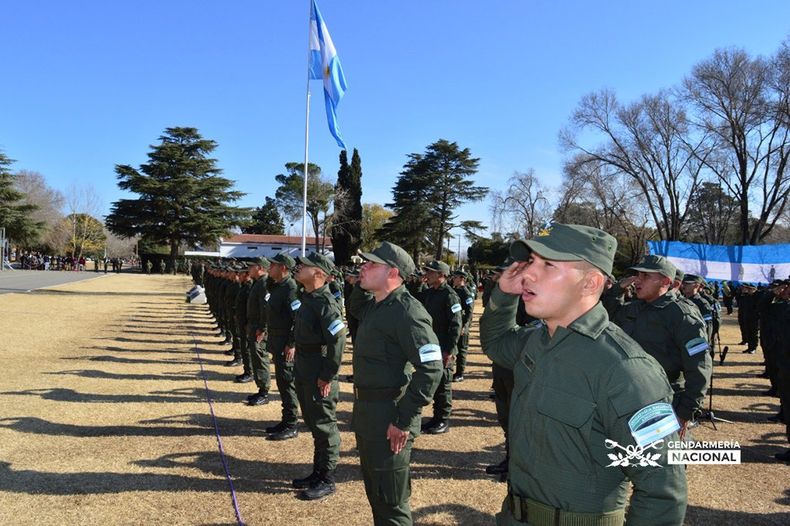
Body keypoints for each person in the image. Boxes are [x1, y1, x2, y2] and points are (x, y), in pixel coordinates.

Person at [480, 224, 687, 525]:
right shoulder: (537, 341)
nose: (527, 274)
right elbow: (496, 343)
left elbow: (663, 489)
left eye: (548, 264)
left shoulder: (627, 369)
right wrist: (503, 294)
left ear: (590, 283)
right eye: (531, 262)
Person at [349, 241, 443, 525]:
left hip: (391, 415)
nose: (362, 267)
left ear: (393, 272)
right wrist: (360, 282)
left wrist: (404, 419)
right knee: (376, 495)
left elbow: (432, 369)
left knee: (392, 503)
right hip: (369, 413)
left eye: (371, 264)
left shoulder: (408, 312)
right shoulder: (377, 305)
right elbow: (354, 306)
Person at [605, 255, 711, 437]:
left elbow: (700, 365)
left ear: (665, 281)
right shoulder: (635, 307)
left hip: (663, 401)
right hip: (628, 397)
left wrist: (684, 413)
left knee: (659, 460)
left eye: (645, 276)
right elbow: (606, 315)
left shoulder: (682, 314)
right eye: (637, 275)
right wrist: (616, 290)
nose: (637, 281)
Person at [291, 252, 346, 500]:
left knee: (324, 425)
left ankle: (327, 478)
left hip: (318, 369)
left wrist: (327, 374)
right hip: (304, 366)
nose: (298, 267)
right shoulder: (308, 298)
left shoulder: (326, 304)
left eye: (304, 266)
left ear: (318, 273)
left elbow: (338, 341)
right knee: (314, 423)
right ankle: (317, 472)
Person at [417, 260, 462, 434]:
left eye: (430, 272)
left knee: (443, 385)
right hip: (431, 346)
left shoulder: (450, 295)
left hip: (443, 348)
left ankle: (443, 419)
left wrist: (449, 351)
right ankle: (435, 418)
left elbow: (456, 325)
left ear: (441, 275)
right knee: (435, 383)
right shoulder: (430, 293)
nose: (426, 274)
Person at [264, 253, 300, 438]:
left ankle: (291, 424)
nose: (269, 267)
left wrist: (292, 343)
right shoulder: (278, 286)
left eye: (273, 265)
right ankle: (286, 420)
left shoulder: (290, 288)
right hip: (278, 343)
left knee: (287, 383)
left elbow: (297, 319)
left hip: (286, 346)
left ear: (283, 268)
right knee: (282, 382)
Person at [243, 257, 271, 405]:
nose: (248, 269)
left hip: (259, 328)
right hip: (254, 325)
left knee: (260, 358)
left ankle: (264, 392)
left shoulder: (264, 284)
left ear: (259, 267)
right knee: (256, 357)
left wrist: (262, 329)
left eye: (251, 266)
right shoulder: (258, 283)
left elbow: (265, 309)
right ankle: (261, 388)